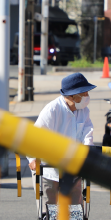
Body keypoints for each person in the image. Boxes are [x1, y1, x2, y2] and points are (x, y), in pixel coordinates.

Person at [27, 72, 95, 212]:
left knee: (75, 212)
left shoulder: (83, 111)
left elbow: (87, 133)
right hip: (48, 169)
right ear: (71, 96)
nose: (87, 97)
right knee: (49, 213)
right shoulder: (52, 110)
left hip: (72, 168)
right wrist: (33, 159)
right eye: (84, 94)